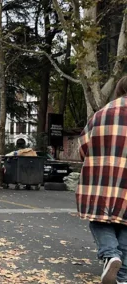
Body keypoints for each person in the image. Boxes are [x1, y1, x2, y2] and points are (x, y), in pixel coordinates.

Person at [77, 75, 127, 284]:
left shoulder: (101, 113)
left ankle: (110, 255)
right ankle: (123, 276)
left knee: (99, 219)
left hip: (101, 181)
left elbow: (82, 147)